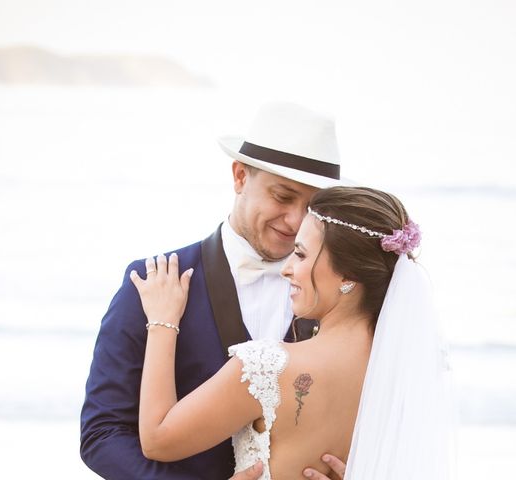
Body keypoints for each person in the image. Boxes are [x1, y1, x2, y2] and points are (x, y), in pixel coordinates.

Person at [80, 102, 351, 479]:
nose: (295, 221)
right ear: (240, 176)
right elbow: (102, 434)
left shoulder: (339, 296)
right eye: (283, 196)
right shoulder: (152, 281)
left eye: (311, 207)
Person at [131, 186, 454, 479]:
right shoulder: (409, 373)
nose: (286, 269)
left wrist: (162, 322)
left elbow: (158, 439)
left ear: (347, 276)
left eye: (300, 254)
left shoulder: (267, 367)